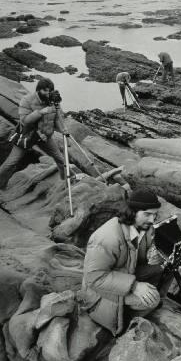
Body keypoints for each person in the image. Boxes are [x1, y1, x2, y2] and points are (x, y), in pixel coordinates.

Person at [80, 189, 165, 336]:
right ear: (132, 211)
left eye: (155, 214)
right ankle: (125, 323)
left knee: (163, 268)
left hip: (124, 273)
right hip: (99, 291)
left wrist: (155, 255)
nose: (152, 220)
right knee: (152, 300)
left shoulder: (143, 227)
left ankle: (134, 304)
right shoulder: (107, 238)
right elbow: (94, 277)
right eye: (147, 214)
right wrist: (135, 286)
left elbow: (137, 255)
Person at [0, 78, 66, 191]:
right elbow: (24, 121)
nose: (48, 93)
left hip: (45, 137)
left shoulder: (52, 100)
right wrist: (41, 112)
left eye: (50, 90)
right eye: (45, 91)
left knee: (60, 159)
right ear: (38, 90)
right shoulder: (27, 100)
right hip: (27, 136)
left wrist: (64, 130)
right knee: (11, 163)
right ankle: (1, 184)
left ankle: (67, 182)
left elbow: (57, 119)